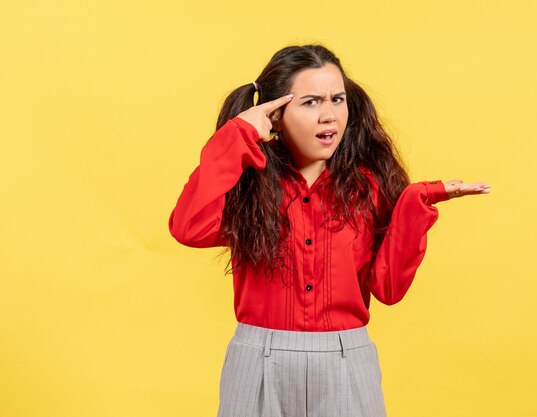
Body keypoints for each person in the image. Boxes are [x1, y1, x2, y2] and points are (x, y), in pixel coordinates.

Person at [168, 43, 491, 417]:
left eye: (337, 99)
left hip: (345, 357)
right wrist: (238, 134)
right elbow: (188, 227)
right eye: (310, 102)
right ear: (275, 113)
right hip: (259, 357)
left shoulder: (368, 188)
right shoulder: (247, 184)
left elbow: (387, 289)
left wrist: (415, 202)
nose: (329, 116)